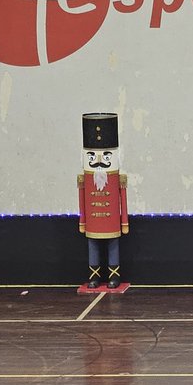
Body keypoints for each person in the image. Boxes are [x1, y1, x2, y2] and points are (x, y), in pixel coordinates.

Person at [77, 112, 129, 290]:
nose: (99, 161)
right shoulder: (85, 178)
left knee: (113, 244)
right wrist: (83, 221)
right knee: (93, 245)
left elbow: (122, 197)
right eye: (92, 156)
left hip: (111, 219)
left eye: (106, 156)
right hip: (93, 220)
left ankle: (114, 276)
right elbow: (82, 198)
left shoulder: (116, 178)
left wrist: (124, 222)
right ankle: (95, 276)